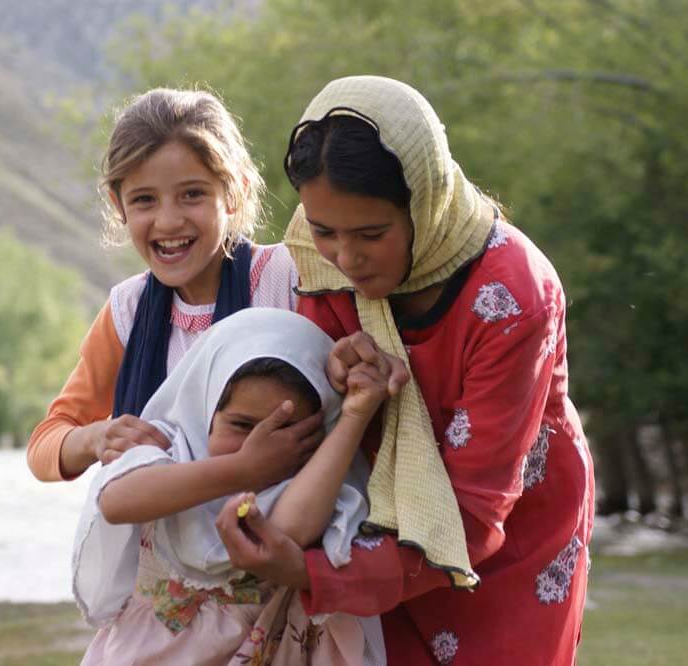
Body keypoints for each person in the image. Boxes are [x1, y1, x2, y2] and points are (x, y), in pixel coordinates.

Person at [215, 76, 596, 665]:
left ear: (426, 198)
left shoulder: (513, 294)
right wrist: (333, 377)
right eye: (325, 230)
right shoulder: (314, 264)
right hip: (365, 542)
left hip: (506, 551)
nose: (345, 257)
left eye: (372, 234)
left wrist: (313, 572)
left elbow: (476, 510)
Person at [72, 308, 393, 665]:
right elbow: (116, 500)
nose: (260, 443)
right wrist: (242, 469)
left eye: (287, 431)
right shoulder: (168, 446)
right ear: (206, 407)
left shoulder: (314, 484)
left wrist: (353, 417)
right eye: (241, 424)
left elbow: (287, 531)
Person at [27, 88, 312, 488]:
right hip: (163, 549)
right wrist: (97, 437)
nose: (168, 221)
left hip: (284, 538)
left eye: (192, 194)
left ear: (235, 192)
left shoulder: (287, 279)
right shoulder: (127, 310)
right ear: (118, 205)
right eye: (144, 200)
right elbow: (44, 446)